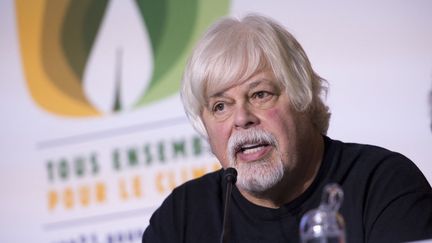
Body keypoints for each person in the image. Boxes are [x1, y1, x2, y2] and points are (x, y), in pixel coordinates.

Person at [142, 14, 432, 243]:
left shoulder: (383, 185)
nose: (242, 118)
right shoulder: (180, 218)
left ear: (303, 97)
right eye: (221, 106)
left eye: (260, 94)